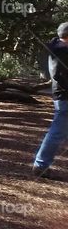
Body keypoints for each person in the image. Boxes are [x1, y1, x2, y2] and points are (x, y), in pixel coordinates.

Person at [32, 21, 68, 178]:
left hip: (62, 96)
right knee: (57, 132)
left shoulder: (58, 48)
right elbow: (60, 76)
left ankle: (41, 164)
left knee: (60, 131)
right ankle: (40, 165)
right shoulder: (62, 52)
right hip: (65, 97)